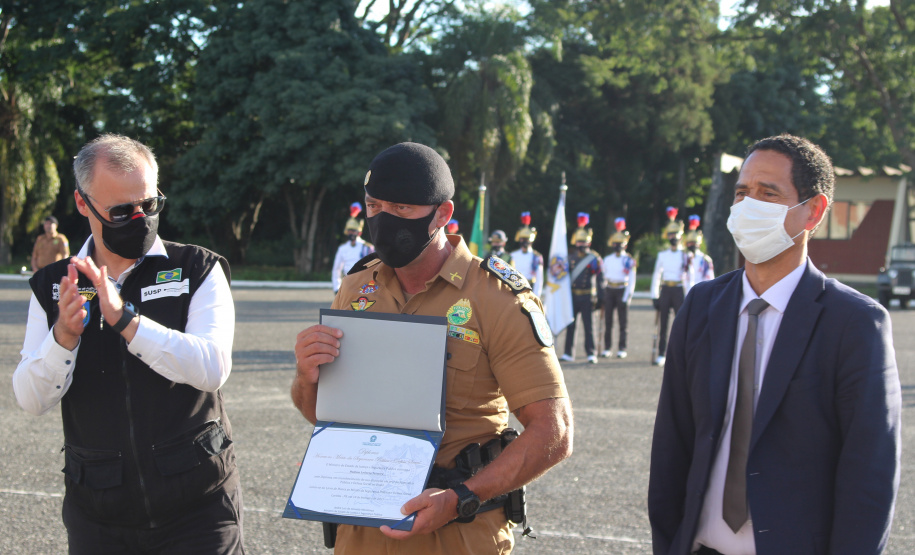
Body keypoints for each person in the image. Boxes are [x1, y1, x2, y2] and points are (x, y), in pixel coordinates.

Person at [291, 142, 573, 554]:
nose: (383, 219)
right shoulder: (355, 289)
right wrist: (306, 376)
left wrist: (460, 498)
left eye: (401, 209)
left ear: (442, 213)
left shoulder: (497, 298)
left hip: (459, 532)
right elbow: (318, 412)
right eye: (373, 206)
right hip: (360, 531)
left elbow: (555, 431)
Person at [648, 134, 901, 555]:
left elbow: (869, 477)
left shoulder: (855, 323)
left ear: (813, 212)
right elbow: (672, 447)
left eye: (768, 193)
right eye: (742, 192)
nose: (749, 206)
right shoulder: (702, 306)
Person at [13, 134, 244, 554]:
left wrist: (127, 320)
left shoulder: (197, 268)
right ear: (83, 204)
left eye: (149, 205)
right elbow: (30, 397)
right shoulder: (52, 285)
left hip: (198, 507)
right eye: (121, 211)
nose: (139, 218)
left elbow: (211, 368)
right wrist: (62, 338)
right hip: (99, 514)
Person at [560, 213, 603, 364]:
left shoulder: (594, 258)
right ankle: (568, 352)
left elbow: (599, 278)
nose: (581, 244)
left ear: (589, 243)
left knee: (589, 326)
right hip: (573, 295)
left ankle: (591, 353)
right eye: (579, 242)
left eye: (584, 242)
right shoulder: (570, 258)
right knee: (570, 326)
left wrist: (600, 296)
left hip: (587, 296)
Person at [650, 208, 687, 366]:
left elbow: (689, 275)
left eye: (675, 235)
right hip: (666, 289)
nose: (673, 237)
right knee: (663, 324)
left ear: (680, 236)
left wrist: (688, 293)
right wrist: (654, 295)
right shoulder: (662, 255)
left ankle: (680, 353)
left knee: (680, 324)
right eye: (670, 235)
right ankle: (661, 352)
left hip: (679, 290)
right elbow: (656, 275)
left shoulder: (685, 255)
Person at [600, 217, 636, 359]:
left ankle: (622, 347)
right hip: (610, 289)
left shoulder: (629, 260)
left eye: (620, 243)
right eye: (616, 243)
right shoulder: (607, 259)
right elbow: (603, 277)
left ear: (625, 245)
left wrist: (627, 295)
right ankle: (607, 347)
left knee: (623, 322)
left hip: (622, 289)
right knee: (608, 321)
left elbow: (632, 280)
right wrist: (603, 292)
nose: (618, 245)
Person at [331, 202, 375, 293]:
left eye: (354, 231)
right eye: (349, 231)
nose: (351, 233)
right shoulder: (342, 248)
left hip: (363, 285)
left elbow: (374, 269)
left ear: (359, 232)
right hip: (347, 284)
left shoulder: (367, 247)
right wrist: (337, 288)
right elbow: (336, 269)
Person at [508, 211, 544, 297]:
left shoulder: (537, 256)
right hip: (515, 289)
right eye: (522, 239)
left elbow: (539, 279)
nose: (524, 242)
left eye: (527, 239)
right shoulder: (513, 255)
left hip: (530, 289)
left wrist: (536, 295)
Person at [684, 214, 714, 294]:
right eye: (690, 243)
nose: (692, 245)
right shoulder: (684, 257)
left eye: (694, 243)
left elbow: (709, 279)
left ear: (699, 245)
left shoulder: (705, 260)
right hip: (685, 293)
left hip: (700, 292)